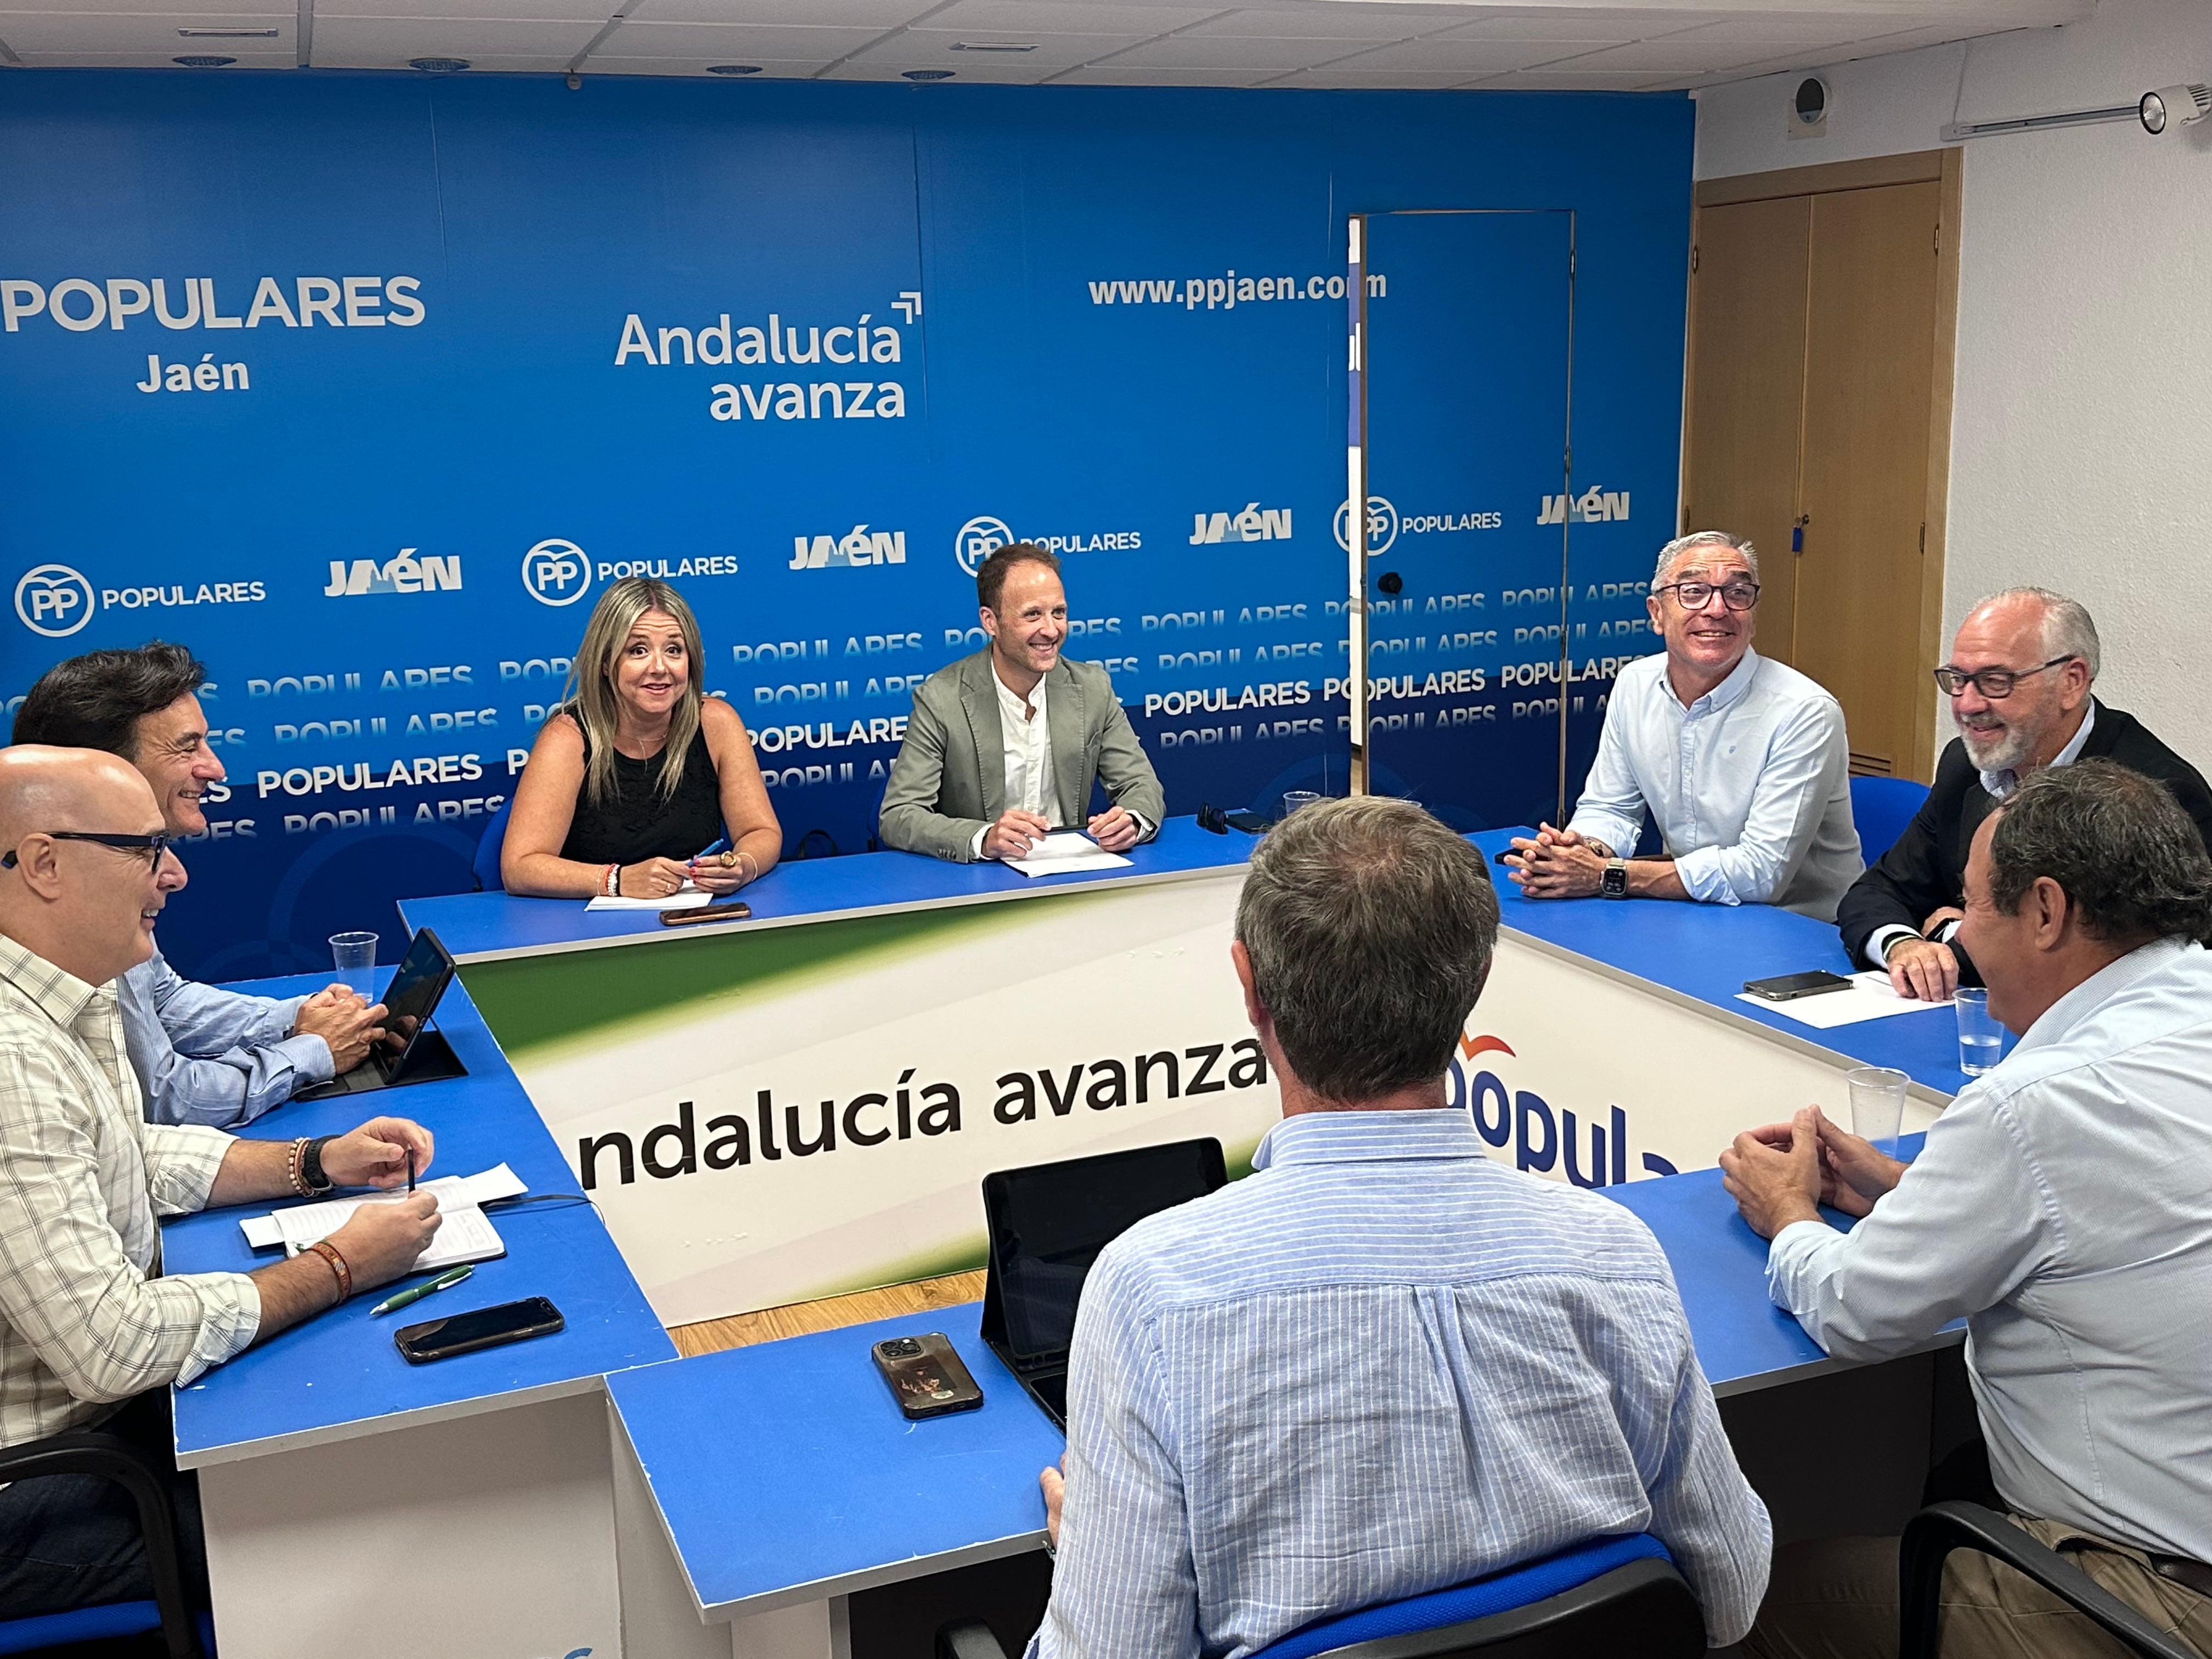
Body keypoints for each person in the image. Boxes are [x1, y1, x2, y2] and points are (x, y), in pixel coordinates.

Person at [1026, 797, 1771, 1658]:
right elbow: (1730, 1592)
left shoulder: (1151, 1292)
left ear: (1250, 986)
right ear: (1475, 984)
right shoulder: (1612, 1254)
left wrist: (1088, 1545)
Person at [1722, 760, 2212, 1659]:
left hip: (2158, 1599)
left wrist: (1786, 1212)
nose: (1961, 939)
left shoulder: (2038, 1100)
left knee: (1755, 1600)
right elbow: (2109, 1228)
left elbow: (1853, 1308)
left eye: (1972, 904)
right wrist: (1905, 1190)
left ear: (2047, 911)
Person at [0, 744, 444, 1621]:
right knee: (372, 1514)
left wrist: (315, 1162)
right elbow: (116, 1349)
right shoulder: (12, 1060)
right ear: (45, 862)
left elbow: (128, 1152)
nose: (172, 875)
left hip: (97, 1434)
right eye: (143, 849)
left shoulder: (65, 1000)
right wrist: (342, 1266)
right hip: (46, 1484)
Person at [12, 642, 385, 1127]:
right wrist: (312, 1051)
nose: (216, 768)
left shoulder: (114, 862)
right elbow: (163, 1100)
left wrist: (298, 1018)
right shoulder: (74, 889)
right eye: (188, 747)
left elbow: (162, 997)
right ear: (102, 766)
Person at [1837, 586, 2212, 1001]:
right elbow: (1878, 891)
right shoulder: (1967, 765)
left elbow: (2075, 965)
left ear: (2072, 681)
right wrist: (1903, 945)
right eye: (1958, 680)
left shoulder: (2150, 795)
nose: (1967, 704)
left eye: (1995, 681)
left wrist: (1945, 930)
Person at [1508, 531, 1860, 921]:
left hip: (1802, 931)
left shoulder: (1804, 712)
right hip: (1696, 911)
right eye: (1693, 592)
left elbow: (1762, 874)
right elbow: (1612, 809)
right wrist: (1582, 852)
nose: (1717, 609)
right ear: (1657, 613)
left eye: (1737, 594)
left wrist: (1608, 876)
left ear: (1753, 615)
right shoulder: (1635, 684)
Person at [879, 544, 1164, 863]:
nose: (1051, 629)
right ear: (991, 622)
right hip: (980, 885)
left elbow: (1141, 784)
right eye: (1033, 614)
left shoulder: (1092, 687)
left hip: (1074, 876)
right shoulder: (941, 698)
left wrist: (1132, 821)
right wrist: (984, 839)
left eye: (1059, 612)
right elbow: (899, 814)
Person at [503, 577, 781, 900]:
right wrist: (616, 881)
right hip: (593, 935)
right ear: (606, 662)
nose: (660, 667)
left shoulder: (716, 722)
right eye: (638, 650)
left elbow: (761, 832)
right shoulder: (568, 736)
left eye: (674, 650)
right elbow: (520, 867)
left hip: (695, 924)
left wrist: (742, 865)